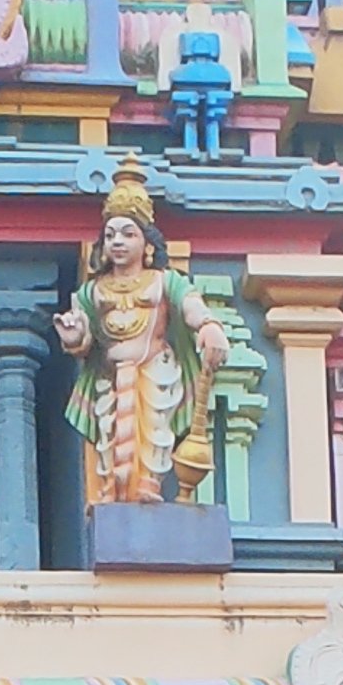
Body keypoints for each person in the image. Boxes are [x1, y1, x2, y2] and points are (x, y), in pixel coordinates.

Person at [55, 169, 229, 503]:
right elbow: (85, 342)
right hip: (111, 376)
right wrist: (75, 336)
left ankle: (147, 485)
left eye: (127, 234)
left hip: (154, 370)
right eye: (110, 235)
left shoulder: (164, 281)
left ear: (147, 244)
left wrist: (208, 326)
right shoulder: (92, 291)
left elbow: (189, 304)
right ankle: (112, 489)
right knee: (110, 439)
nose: (117, 242)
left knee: (152, 435)